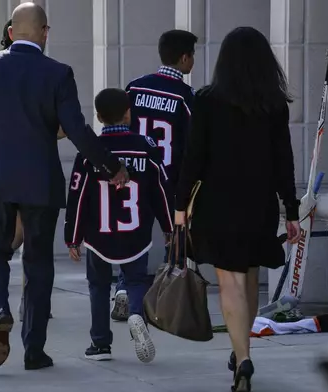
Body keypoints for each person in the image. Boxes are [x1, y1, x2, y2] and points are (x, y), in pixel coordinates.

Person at [0, 2, 129, 370]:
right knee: (39, 264)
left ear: (11, 32)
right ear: (45, 33)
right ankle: (34, 350)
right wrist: (111, 166)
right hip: (41, 183)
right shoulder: (58, 73)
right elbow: (76, 129)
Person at [173, 27, 301, 392]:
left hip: (217, 203)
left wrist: (180, 206)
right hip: (258, 203)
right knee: (249, 276)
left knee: (228, 281)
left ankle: (242, 357)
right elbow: (284, 162)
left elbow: (193, 158)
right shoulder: (273, 105)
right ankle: (240, 348)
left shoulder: (207, 100)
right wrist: (290, 211)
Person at [0, 18, 61, 321]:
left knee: (7, 243)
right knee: (23, 244)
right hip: (31, 174)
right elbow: (56, 128)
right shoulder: (43, 74)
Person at [65, 88, 173, 363]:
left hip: (98, 235)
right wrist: (169, 226)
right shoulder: (146, 147)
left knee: (98, 285)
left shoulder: (91, 153)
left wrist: (73, 236)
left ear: (99, 117)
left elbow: (76, 196)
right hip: (136, 232)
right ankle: (136, 313)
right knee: (136, 279)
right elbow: (161, 189)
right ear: (129, 113)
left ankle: (100, 344)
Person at [111, 29, 198, 322]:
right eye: (192, 57)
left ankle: (123, 289)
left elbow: (120, 128)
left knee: (135, 236)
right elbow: (191, 147)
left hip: (134, 175)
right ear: (184, 58)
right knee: (172, 237)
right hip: (169, 181)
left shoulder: (134, 89)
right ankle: (162, 297)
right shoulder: (187, 97)